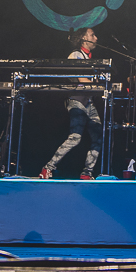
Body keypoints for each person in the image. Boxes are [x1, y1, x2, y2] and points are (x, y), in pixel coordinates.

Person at [38, 27, 105, 180]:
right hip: (76, 100)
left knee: (98, 137)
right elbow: (82, 80)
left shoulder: (89, 58)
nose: (96, 38)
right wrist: (102, 87)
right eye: (92, 35)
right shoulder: (76, 55)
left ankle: (87, 172)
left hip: (88, 102)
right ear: (83, 38)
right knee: (75, 137)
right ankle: (47, 168)